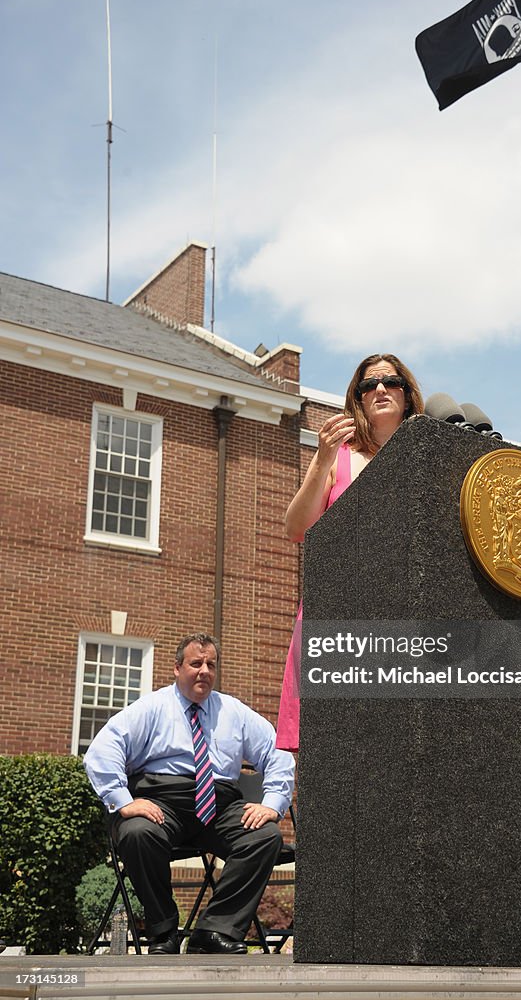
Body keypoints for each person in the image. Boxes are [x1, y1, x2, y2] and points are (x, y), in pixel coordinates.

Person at [84, 632, 295, 955]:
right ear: (177, 668)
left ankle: (213, 931)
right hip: (162, 802)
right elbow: (103, 748)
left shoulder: (233, 712)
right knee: (138, 832)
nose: (204, 671)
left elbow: (277, 748)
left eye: (211, 664)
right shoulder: (152, 708)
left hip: (220, 806)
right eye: (196, 663)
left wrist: (272, 804)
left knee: (264, 837)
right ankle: (163, 930)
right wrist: (124, 801)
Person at [276, 353, 423, 751]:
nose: (379, 389)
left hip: (402, 620)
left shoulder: (425, 460)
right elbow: (295, 529)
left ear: (407, 396)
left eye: (390, 382)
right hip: (339, 615)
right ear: (357, 400)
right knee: (336, 754)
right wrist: (323, 457)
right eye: (367, 384)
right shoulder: (338, 455)